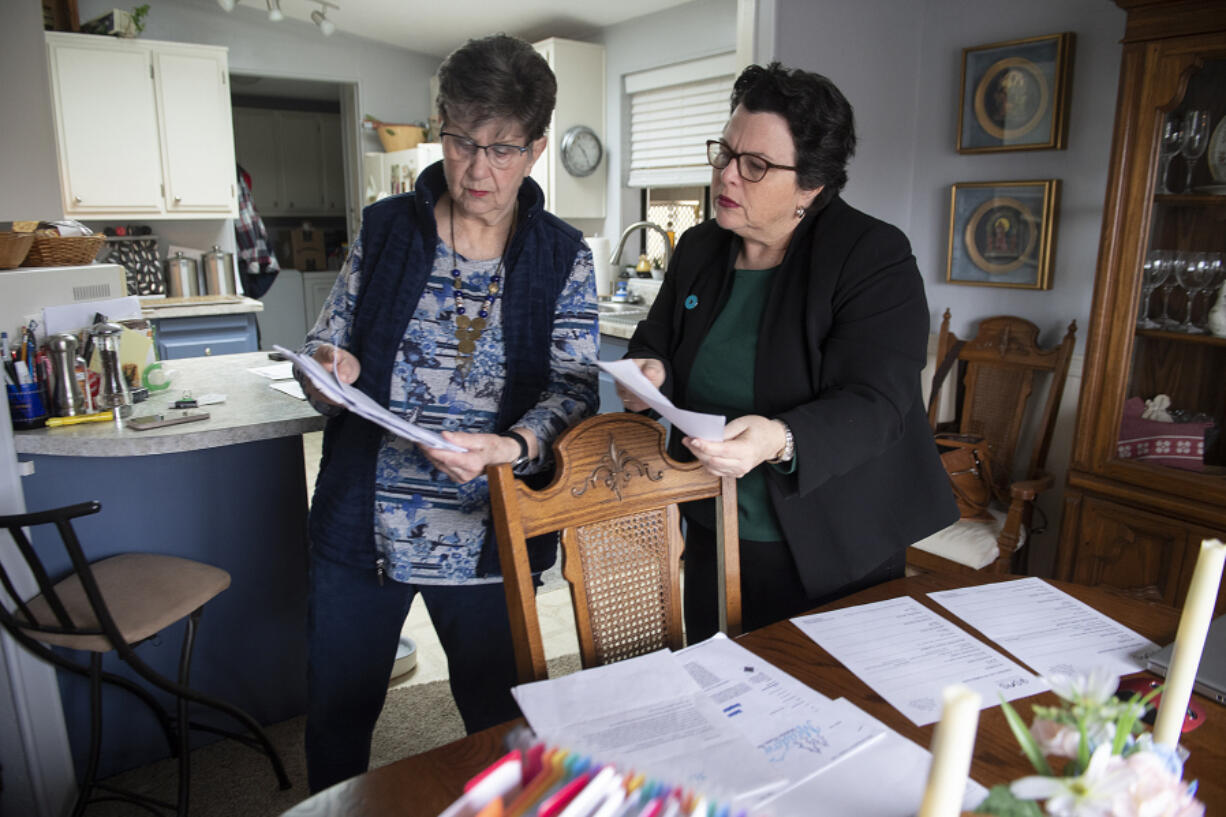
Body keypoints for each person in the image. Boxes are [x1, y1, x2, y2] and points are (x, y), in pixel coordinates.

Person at [296, 34, 598, 793]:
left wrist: (507, 445)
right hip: (363, 526)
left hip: (489, 530)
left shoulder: (564, 254)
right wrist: (328, 369)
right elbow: (325, 340)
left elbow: (574, 389)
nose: (478, 169)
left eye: (504, 149)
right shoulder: (387, 228)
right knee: (338, 715)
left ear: (535, 148)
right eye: (464, 141)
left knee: (499, 723)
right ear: (441, 126)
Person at [620, 62, 957, 641]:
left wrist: (779, 438)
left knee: (826, 704)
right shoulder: (702, 246)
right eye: (724, 154)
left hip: (832, 535)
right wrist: (647, 373)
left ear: (812, 184)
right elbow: (658, 342)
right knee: (719, 689)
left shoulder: (871, 255)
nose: (727, 176)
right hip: (713, 522)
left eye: (754, 166)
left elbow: (878, 402)